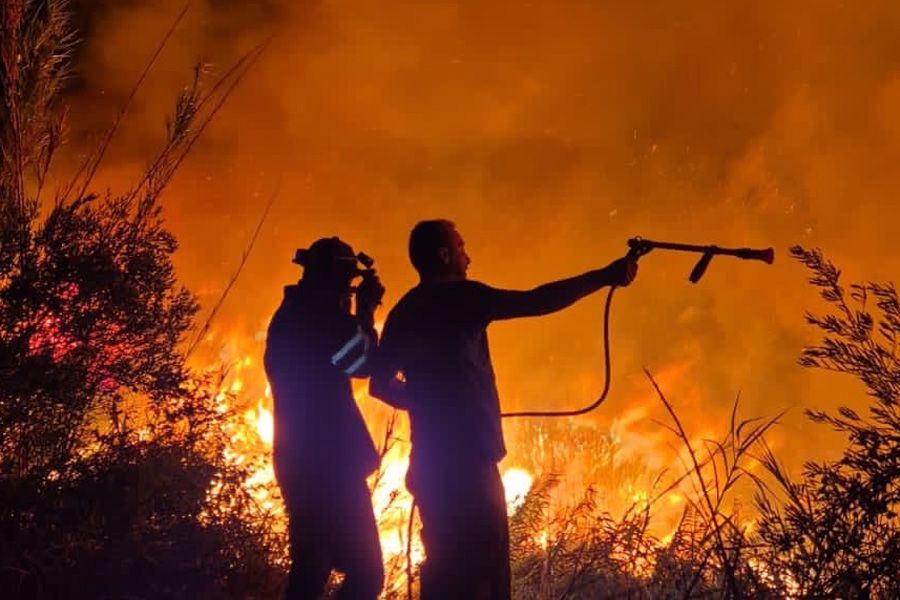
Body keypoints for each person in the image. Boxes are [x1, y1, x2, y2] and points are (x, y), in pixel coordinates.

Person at [369, 219, 638, 600]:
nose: (468, 257)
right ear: (444, 255)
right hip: (471, 470)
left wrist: (430, 403)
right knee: (486, 579)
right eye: (461, 248)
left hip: (429, 466)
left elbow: (379, 384)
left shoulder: (404, 311)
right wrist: (605, 276)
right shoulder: (463, 297)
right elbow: (539, 300)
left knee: (444, 573)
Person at [264, 236, 386, 600]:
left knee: (310, 571)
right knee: (366, 574)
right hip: (329, 466)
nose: (349, 288)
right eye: (346, 279)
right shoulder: (316, 319)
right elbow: (363, 363)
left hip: (300, 462)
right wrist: (365, 312)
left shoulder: (291, 316)